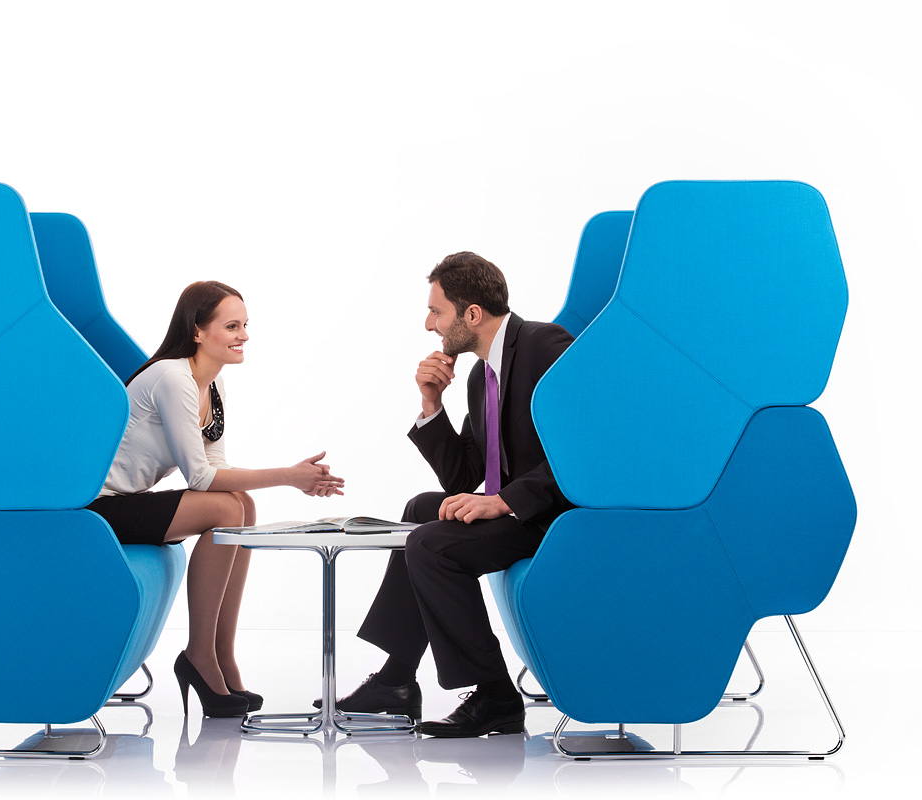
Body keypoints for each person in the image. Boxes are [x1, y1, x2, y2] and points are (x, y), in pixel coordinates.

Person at [319, 252, 574, 737]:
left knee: (431, 544)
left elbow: (585, 447)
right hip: (524, 512)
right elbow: (462, 477)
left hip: (555, 515)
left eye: (436, 311)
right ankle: (396, 679)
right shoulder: (482, 376)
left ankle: (497, 697)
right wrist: (431, 403)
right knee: (421, 509)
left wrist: (505, 501)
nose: (429, 324)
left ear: (472, 314)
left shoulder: (545, 345)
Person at [88, 280, 345, 718]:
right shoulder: (173, 378)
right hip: (100, 508)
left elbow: (215, 467)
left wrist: (292, 478)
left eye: (245, 325)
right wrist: (289, 476)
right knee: (228, 506)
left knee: (242, 503)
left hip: (129, 502)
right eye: (231, 326)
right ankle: (199, 655)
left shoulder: (213, 384)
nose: (244, 335)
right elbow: (201, 477)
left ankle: (221, 655)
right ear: (196, 331)